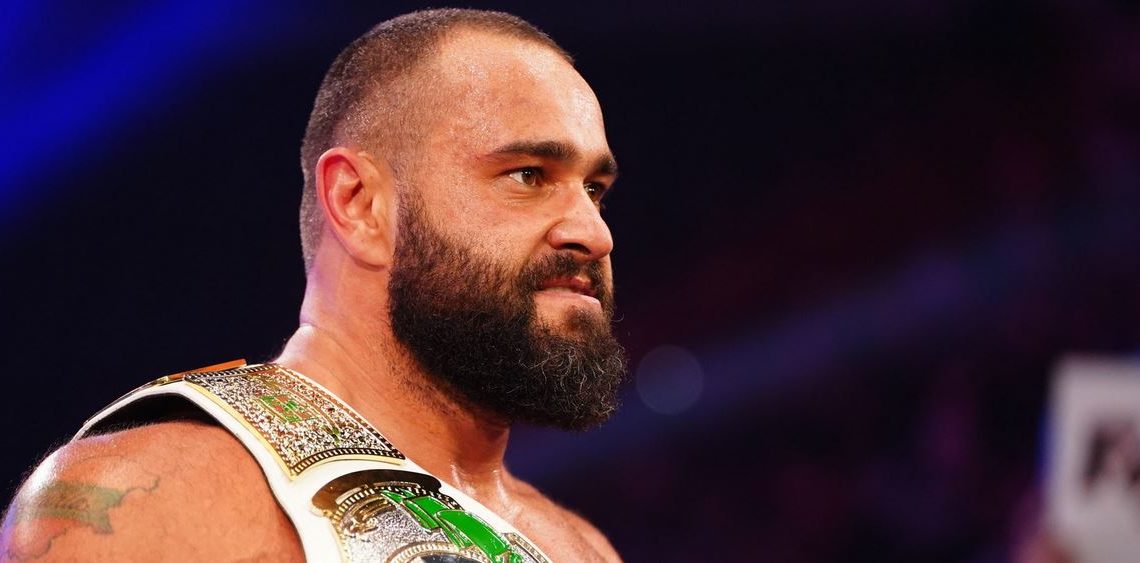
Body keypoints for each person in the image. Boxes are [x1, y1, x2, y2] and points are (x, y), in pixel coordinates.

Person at [0, 8, 627, 562]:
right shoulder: (143, 503)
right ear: (359, 203)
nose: (594, 232)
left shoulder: (582, 548)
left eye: (594, 189)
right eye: (528, 175)